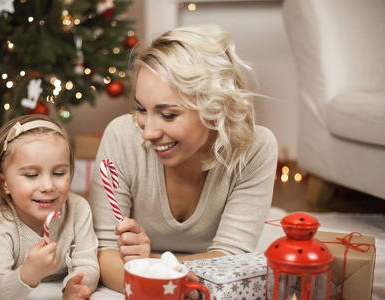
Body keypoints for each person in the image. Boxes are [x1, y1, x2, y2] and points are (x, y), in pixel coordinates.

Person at [87, 24, 279, 295]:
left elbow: (232, 263)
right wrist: (174, 280)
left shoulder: (255, 148)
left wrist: (149, 266)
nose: (148, 132)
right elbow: (104, 256)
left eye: (168, 115)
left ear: (215, 109)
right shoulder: (121, 137)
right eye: (141, 109)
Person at [0, 114, 99, 300]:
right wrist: (28, 274)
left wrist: (77, 285)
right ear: (4, 183)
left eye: (58, 173)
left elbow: (88, 263)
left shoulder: (79, 209)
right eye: (32, 175)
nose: (48, 186)